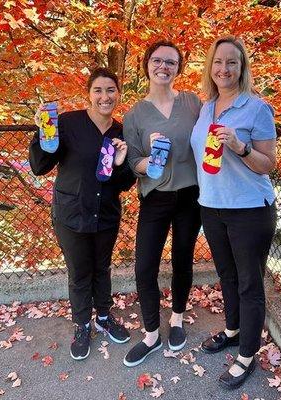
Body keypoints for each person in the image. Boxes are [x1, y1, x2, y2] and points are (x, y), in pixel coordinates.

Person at [29, 67, 136, 361]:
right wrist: (42, 132)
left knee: (102, 268)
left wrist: (122, 162)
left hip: (106, 213)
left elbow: (124, 183)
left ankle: (103, 316)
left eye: (111, 90)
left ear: (118, 94)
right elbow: (40, 166)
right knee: (79, 272)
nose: (105, 96)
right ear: (88, 94)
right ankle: (82, 324)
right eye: (98, 90)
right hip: (71, 213)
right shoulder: (68, 123)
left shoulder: (121, 131)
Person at [190, 35, 277, 389]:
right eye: (218, 62)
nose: (223, 69)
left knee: (249, 283)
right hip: (211, 207)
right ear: (210, 68)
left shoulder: (256, 108)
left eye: (231, 62)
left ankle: (246, 355)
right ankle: (232, 329)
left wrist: (240, 148)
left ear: (242, 68)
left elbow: (267, 163)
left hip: (249, 211)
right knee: (226, 276)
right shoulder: (205, 107)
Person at [123, 40, 202, 367]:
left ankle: (178, 319)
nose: (164, 66)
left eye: (171, 62)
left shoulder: (192, 103)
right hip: (154, 197)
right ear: (147, 65)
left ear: (178, 68)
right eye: (157, 60)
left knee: (183, 260)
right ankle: (152, 334)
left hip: (190, 196)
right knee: (145, 267)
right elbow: (133, 162)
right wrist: (150, 161)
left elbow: (212, 133)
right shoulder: (135, 115)